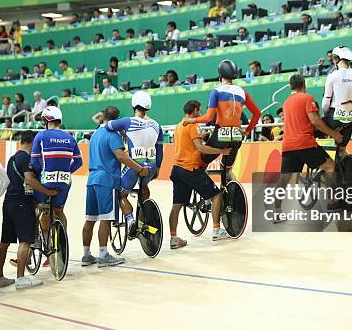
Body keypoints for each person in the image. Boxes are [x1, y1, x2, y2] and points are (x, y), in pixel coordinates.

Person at [82, 106, 149, 267]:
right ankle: (103, 255)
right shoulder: (112, 134)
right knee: (106, 219)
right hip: (107, 180)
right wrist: (139, 168)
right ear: (116, 120)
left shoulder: (96, 133)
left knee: (90, 220)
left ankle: (86, 255)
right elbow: (120, 155)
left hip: (92, 179)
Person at [0, 131, 59, 290]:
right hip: (22, 204)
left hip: (9, 202)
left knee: (5, 242)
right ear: (31, 141)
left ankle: (0, 278)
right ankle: (20, 278)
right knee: (25, 241)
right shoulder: (26, 158)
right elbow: (29, 179)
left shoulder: (12, 159)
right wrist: (48, 191)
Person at [183, 60, 261, 182]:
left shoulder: (217, 91)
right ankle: (231, 194)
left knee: (202, 161)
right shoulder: (243, 92)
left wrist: (192, 120)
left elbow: (208, 117)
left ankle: (207, 192)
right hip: (237, 136)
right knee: (227, 169)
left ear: (220, 76)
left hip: (220, 134)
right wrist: (247, 131)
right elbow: (257, 113)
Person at [275, 74, 343, 213]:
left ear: (290, 87)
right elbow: (315, 121)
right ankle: (331, 203)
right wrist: (334, 134)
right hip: (306, 144)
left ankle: (276, 211)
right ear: (304, 85)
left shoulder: (286, 103)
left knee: (283, 179)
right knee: (330, 167)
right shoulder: (307, 98)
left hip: (288, 146)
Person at [103, 91, 163, 240]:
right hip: (152, 165)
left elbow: (107, 125)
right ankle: (145, 211)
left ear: (134, 105)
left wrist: (122, 130)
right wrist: (158, 169)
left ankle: (130, 220)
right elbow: (160, 151)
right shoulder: (157, 125)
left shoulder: (127, 121)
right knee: (143, 186)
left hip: (135, 165)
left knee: (121, 194)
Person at [171, 100, 232, 244]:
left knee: (177, 205)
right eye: (199, 111)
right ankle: (217, 230)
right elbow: (200, 148)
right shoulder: (192, 125)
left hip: (177, 169)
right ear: (196, 111)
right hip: (191, 168)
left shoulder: (179, 126)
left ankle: (173, 238)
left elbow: (188, 142)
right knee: (216, 195)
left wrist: (202, 135)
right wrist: (221, 151)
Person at [30, 106, 82, 264]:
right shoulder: (70, 138)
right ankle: (62, 241)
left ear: (46, 120)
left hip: (46, 181)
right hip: (65, 180)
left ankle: (39, 242)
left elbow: (34, 162)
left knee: (37, 207)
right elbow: (79, 162)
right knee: (59, 211)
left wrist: (41, 174)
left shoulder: (41, 136)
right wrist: (65, 171)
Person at [321, 46, 352, 155]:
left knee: (314, 129)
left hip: (334, 118)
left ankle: (322, 161)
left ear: (336, 59)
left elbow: (326, 102)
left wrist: (325, 115)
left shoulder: (332, 76)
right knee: (342, 149)